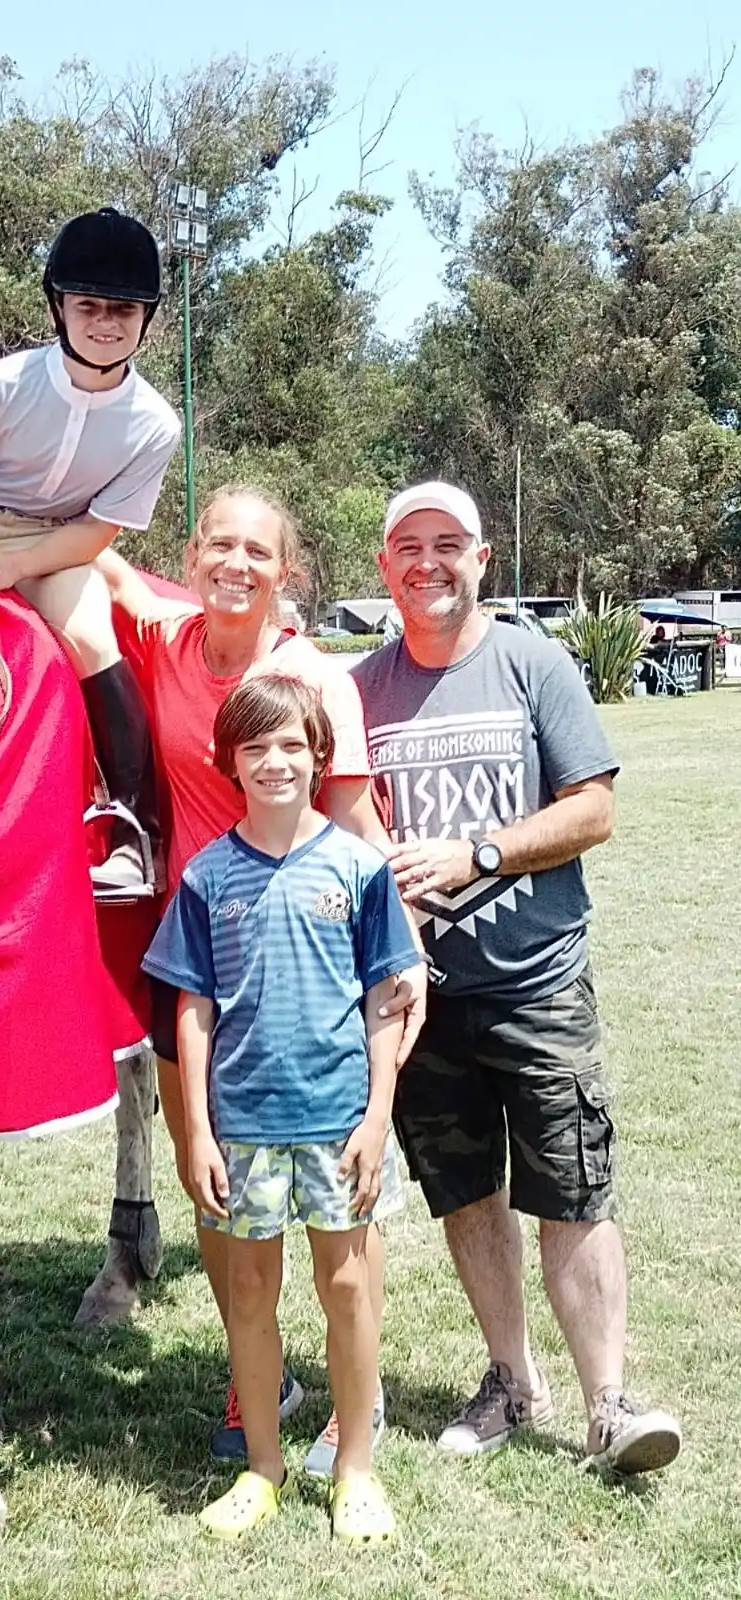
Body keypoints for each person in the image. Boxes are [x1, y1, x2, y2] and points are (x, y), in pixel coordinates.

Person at [351, 479, 683, 1475]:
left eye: (450, 543)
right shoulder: (361, 687)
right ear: (384, 567)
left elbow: (593, 810)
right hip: (423, 999)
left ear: (482, 559)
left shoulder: (533, 661)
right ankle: (511, 1377)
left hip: (537, 985)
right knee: (465, 1195)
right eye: (409, 545)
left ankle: (609, 1403)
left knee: (571, 1192)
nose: (429, 562)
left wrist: (480, 854)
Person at [98, 484, 427, 1467]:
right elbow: (87, 558)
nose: (235, 564)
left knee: (339, 1206)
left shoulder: (313, 680)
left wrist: (403, 952)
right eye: (218, 545)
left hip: (310, 968)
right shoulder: (164, 638)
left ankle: (346, 1408)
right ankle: (263, 1382)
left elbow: (361, 828)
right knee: (214, 1185)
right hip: (196, 955)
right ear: (192, 554)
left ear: (288, 571)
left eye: (257, 551)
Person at [143, 675, 422, 1541]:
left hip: (339, 1126)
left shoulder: (359, 869)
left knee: (346, 1286)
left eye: (293, 746)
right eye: (256, 747)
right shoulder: (206, 878)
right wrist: (196, 1130)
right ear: (228, 761)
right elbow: (192, 1011)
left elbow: (386, 1001)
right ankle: (262, 1468)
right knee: (252, 1290)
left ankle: (355, 1469)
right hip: (245, 1127)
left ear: (320, 756)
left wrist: (377, 1118)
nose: (275, 762)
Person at [0, 207, 180, 897]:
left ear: (145, 318)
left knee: (94, 638)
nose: (104, 322)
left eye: (123, 309)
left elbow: (96, 534)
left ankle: (132, 831)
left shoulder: (155, 425)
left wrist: (16, 567)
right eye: (88, 304)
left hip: (57, 543)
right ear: (59, 305)